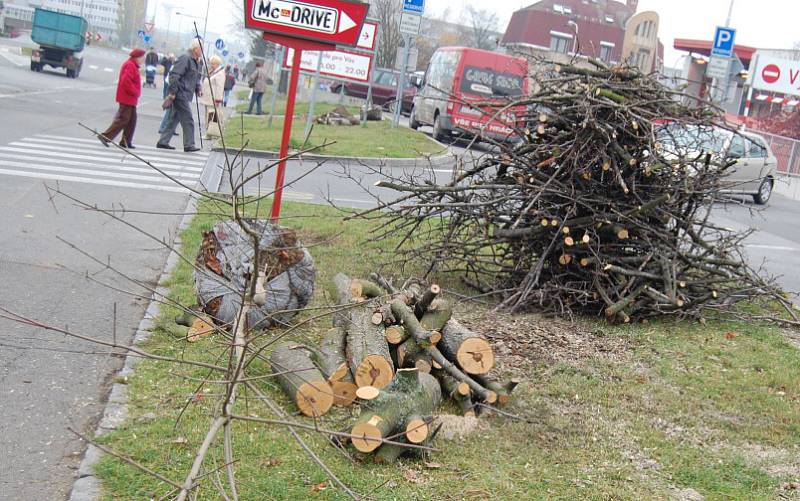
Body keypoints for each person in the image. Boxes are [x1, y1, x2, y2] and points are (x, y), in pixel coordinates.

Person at [157, 39, 203, 152]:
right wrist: (172, 93)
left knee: (173, 119)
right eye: (201, 48)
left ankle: (163, 141)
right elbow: (174, 75)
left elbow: (194, 78)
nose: (202, 51)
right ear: (195, 48)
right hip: (180, 93)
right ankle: (189, 144)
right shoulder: (185, 58)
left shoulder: (196, 61)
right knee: (188, 120)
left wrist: (198, 88)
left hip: (186, 94)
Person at [98, 48, 143, 149]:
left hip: (131, 99)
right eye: (142, 57)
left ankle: (126, 141)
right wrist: (135, 91)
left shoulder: (133, 65)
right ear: (137, 57)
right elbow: (125, 81)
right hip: (127, 98)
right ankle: (105, 136)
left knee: (131, 120)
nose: (143, 59)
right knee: (123, 119)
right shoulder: (130, 65)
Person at [199, 55, 225, 139]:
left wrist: (218, 99)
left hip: (213, 99)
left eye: (212, 64)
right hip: (208, 98)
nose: (211, 66)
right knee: (209, 116)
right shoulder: (213, 72)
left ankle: (210, 133)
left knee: (212, 116)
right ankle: (209, 132)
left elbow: (220, 87)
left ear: (216, 64)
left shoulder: (220, 73)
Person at [158, 53, 178, 136]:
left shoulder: (177, 64)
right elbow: (172, 78)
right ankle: (162, 127)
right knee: (169, 109)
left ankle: (169, 128)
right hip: (171, 86)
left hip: (172, 86)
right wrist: (172, 92)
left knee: (173, 111)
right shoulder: (178, 66)